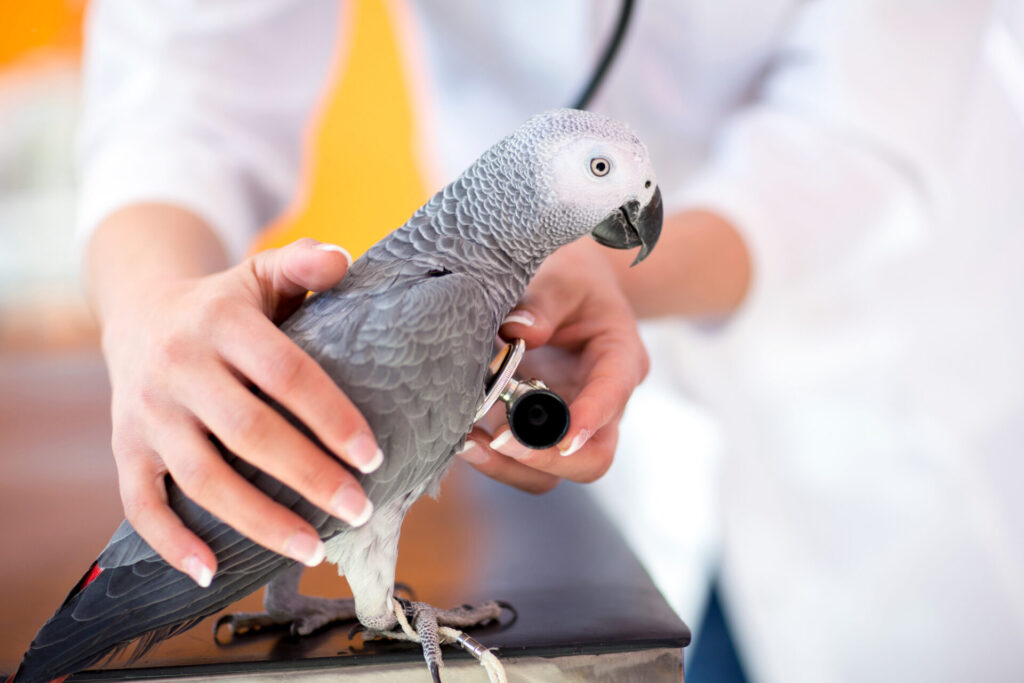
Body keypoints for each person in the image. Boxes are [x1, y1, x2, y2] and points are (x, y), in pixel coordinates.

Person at [79, 1, 1024, 681]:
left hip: (891, 386)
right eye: (607, 172)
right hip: (616, 495)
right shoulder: (443, 309)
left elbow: (859, 134)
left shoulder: (480, 302)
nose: (631, 192)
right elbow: (185, 76)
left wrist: (612, 274)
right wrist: (152, 303)